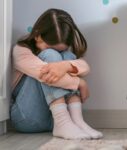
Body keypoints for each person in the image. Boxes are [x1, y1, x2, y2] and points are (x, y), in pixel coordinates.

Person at [11, 8, 103, 140]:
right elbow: (45, 74)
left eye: (61, 48)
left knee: (67, 57)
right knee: (51, 57)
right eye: (50, 46)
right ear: (37, 35)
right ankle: (63, 122)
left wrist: (65, 65)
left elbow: (85, 66)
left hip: (53, 119)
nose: (57, 53)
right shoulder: (21, 51)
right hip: (27, 118)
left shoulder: (63, 53)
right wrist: (80, 82)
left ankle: (77, 121)